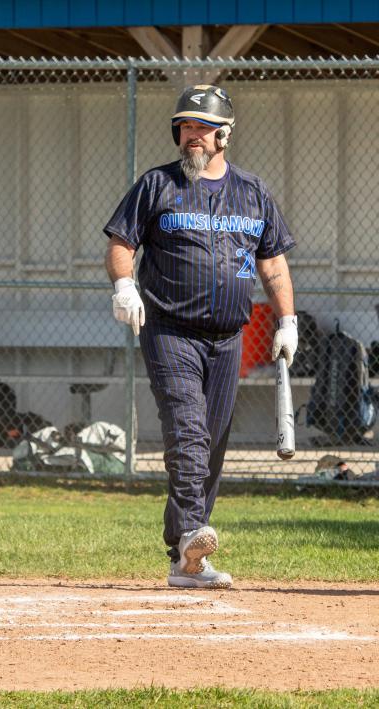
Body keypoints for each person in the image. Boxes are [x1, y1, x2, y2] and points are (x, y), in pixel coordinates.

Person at [103, 85, 297, 589]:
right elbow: (122, 243)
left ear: (224, 134)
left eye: (202, 128)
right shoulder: (157, 185)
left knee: (210, 445)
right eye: (185, 127)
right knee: (188, 431)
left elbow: (272, 261)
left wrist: (287, 321)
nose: (192, 136)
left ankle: (184, 557)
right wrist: (125, 286)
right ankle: (193, 533)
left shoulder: (253, 192)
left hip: (229, 336)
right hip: (170, 330)